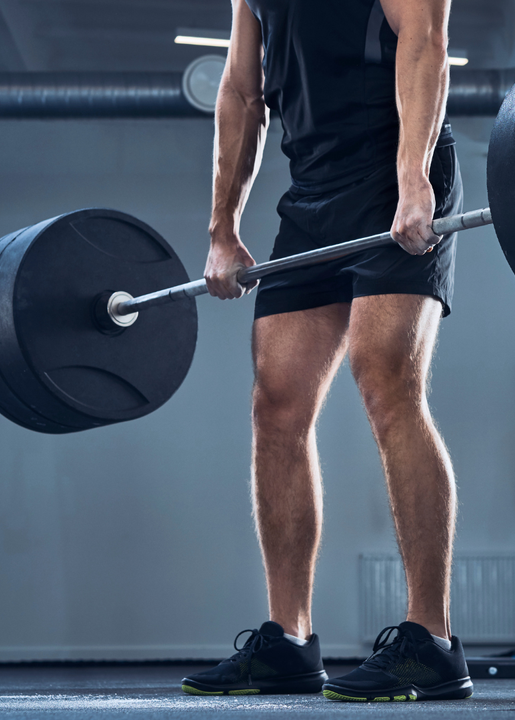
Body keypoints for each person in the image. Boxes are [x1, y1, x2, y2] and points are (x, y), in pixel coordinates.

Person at [179, 0, 472, 703]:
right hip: (313, 191)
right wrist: (222, 229)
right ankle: (289, 639)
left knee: (386, 379)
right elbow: (243, 91)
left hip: (396, 171)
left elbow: (425, 40)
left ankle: (430, 641)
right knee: (275, 402)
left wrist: (412, 181)